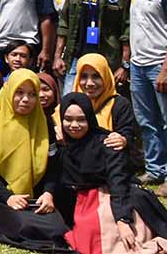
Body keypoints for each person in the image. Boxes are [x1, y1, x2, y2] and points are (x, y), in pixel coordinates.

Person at [55, 93, 167, 254]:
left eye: (81, 119)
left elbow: (117, 181)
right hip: (81, 203)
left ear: (90, 119)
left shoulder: (107, 142)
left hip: (114, 198)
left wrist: (122, 219)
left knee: (112, 232)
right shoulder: (62, 147)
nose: (74, 125)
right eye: (68, 119)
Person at [0, 69, 71, 252]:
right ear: (9, 92)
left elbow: (53, 167)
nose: (26, 99)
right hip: (2, 199)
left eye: (32, 94)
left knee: (58, 230)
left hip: (36, 198)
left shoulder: (43, 124)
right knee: (24, 227)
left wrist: (49, 193)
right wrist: (8, 197)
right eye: (19, 93)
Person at [57, 0, 131, 93]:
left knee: (104, 108)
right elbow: (64, 23)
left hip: (108, 59)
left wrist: (125, 64)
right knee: (70, 102)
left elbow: (127, 29)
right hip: (77, 57)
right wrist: (58, 56)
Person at [127, 0, 167, 187]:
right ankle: (155, 169)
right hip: (138, 65)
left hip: (159, 64)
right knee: (146, 121)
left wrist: (165, 68)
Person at [70, 54, 136, 147]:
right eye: (84, 76)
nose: (89, 83)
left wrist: (123, 140)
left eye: (96, 76)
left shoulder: (120, 105)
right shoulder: (70, 103)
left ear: (106, 76)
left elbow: (129, 135)